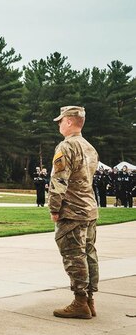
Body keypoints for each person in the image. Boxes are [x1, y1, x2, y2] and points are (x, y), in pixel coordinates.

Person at [48, 105, 99, 319]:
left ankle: (80, 302)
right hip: (89, 208)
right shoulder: (89, 147)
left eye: (61, 120)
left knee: (73, 255)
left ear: (69, 121)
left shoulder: (66, 146)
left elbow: (59, 180)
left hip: (73, 210)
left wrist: (54, 208)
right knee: (89, 254)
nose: (59, 124)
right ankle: (89, 300)